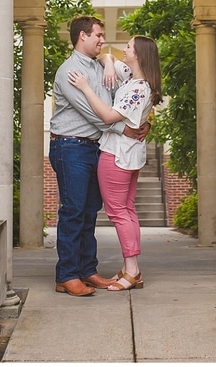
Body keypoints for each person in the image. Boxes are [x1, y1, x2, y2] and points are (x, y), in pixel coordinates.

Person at [49, 16, 149, 297]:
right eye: (99, 35)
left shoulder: (101, 67)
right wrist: (127, 130)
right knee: (73, 211)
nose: (103, 40)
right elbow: (94, 114)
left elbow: (124, 102)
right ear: (83, 36)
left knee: (90, 211)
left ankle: (87, 270)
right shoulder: (69, 71)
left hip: (95, 147)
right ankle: (67, 275)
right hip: (70, 147)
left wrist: (141, 123)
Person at [67, 35, 162, 292]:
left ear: (139, 55)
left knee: (119, 213)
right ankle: (132, 268)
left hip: (117, 155)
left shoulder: (136, 89)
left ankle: (132, 271)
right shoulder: (132, 77)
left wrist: (86, 87)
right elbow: (108, 57)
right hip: (129, 155)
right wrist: (109, 64)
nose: (124, 49)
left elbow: (109, 116)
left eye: (128, 47)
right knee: (127, 211)